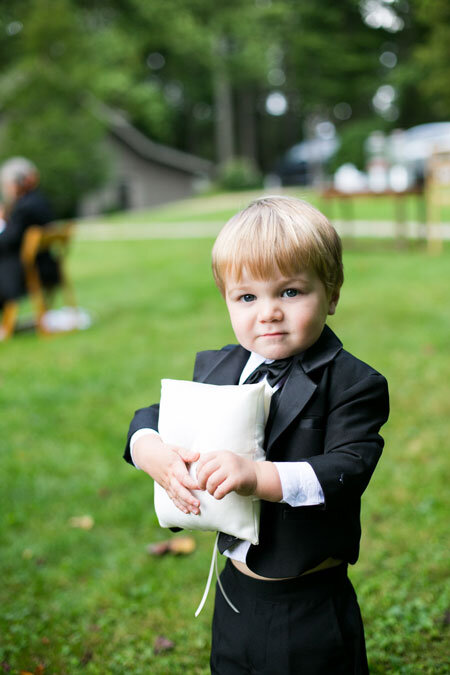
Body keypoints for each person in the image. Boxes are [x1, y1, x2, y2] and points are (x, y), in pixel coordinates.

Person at [124, 195, 389, 674]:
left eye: (289, 292)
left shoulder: (353, 383)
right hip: (235, 590)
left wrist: (257, 476)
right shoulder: (222, 366)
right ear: (227, 299)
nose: (267, 312)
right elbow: (150, 418)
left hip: (307, 597)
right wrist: (151, 452)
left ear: (331, 293)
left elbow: (347, 468)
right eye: (247, 297)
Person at [0, 157, 60, 314]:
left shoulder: (24, 208)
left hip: (31, 271)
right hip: (47, 266)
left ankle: (5, 325)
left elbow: (8, 241)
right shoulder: (39, 201)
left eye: (7, 185)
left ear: (18, 184)